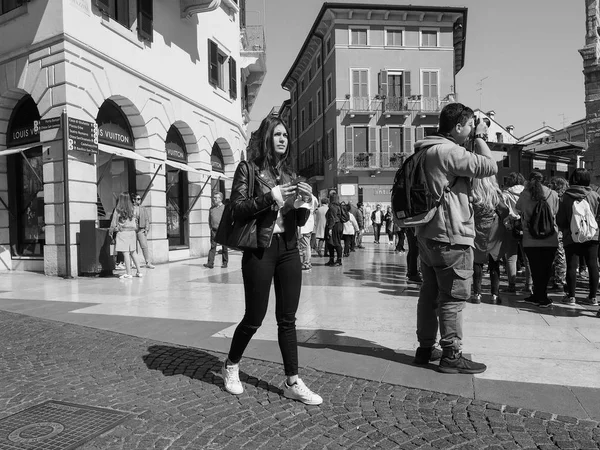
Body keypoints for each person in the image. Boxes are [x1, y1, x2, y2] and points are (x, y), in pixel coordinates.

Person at [222, 115, 322, 405]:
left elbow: (297, 218)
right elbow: (238, 209)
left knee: (288, 319)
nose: (283, 139)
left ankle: (292, 380)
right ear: (267, 137)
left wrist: (305, 204)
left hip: (289, 248)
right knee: (254, 317)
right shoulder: (248, 170)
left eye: (286, 136)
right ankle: (231, 365)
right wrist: (273, 197)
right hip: (260, 249)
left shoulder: (291, 175)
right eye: (277, 134)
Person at [413, 103, 497, 374]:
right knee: (453, 297)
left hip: (427, 234)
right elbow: (489, 166)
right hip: (451, 235)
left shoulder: (425, 149)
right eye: (470, 125)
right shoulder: (449, 151)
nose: (473, 129)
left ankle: (425, 349)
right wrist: (482, 137)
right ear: (458, 127)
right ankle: (451, 354)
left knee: (429, 293)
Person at [515, 171, 559, 308]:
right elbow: (555, 212)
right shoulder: (553, 194)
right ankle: (542, 296)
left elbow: (518, 209)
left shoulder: (524, 194)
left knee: (535, 268)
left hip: (530, 238)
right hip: (550, 237)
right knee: (546, 269)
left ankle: (538, 295)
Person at [556, 168, 600, 306]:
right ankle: (592, 297)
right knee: (593, 264)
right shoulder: (594, 195)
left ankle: (571, 296)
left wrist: (565, 229)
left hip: (571, 235)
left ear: (573, 179)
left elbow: (560, 219)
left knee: (572, 265)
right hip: (592, 235)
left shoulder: (565, 197)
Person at [471, 176, 508, 305]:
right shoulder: (495, 193)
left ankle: (476, 293)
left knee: (477, 262)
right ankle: (494, 294)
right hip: (494, 229)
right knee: (494, 262)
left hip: (477, 228)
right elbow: (504, 211)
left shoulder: (472, 192)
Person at [501, 172, 531, 294]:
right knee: (527, 257)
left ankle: (511, 285)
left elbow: (502, 209)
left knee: (511, 257)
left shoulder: (506, 193)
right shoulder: (528, 193)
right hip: (525, 226)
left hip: (511, 225)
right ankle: (529, 285)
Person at [110, 192, 143, 279]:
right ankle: (139, 271)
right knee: (133, 252)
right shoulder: (133, 209)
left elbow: (114, 222)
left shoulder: (118, 210)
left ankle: (128, 273)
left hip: (123, 232)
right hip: (132, 233)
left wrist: (111, 231)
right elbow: (135, 221)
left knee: (125, 253)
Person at [549, 177, 569, 291]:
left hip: (557, 229)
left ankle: (559, 281)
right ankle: (558, 279)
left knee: (559, 256)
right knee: (560, 256)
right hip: (563, 229)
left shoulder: (557, 197)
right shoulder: (566, 197)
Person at [130, 193, 154, 269]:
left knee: (144, 246)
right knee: (133, 248)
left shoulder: (143, 208)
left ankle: (148, 262)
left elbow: (147, 219)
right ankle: (134, 263)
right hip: (132, 230)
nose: (139, 200)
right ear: (134, 200)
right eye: (138, 199)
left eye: (140, 199)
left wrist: (147, 229)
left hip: (141, 229)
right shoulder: (130, 208)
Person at [205, 192, 229, 269]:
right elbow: (209, 220)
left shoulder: (225, 208)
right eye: (214, 197)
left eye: (216, 197)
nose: (214, 199)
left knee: (224, 247)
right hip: (214, 230)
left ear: (220, 199)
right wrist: (211, 227)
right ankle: (210, 263)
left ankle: (225, 262)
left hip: (223, 230)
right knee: (213, 247)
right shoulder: (211, 209)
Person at [298, 193, 319, 270]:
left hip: (304, 227)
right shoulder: (313, 202)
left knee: (305, 246)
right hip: (309, 226)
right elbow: (316, 201)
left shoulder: (302, 204)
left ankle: (306, 263)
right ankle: (308, 262)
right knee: (307, 245)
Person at [325, 192, 344, 266]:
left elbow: (332, 218)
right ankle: (332, 259)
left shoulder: (332, 207)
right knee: (332, 243)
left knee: (335, 243)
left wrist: (330, 228)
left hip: (334, 226)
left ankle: (338, 260)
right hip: (338, 225)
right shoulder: (338, 206)